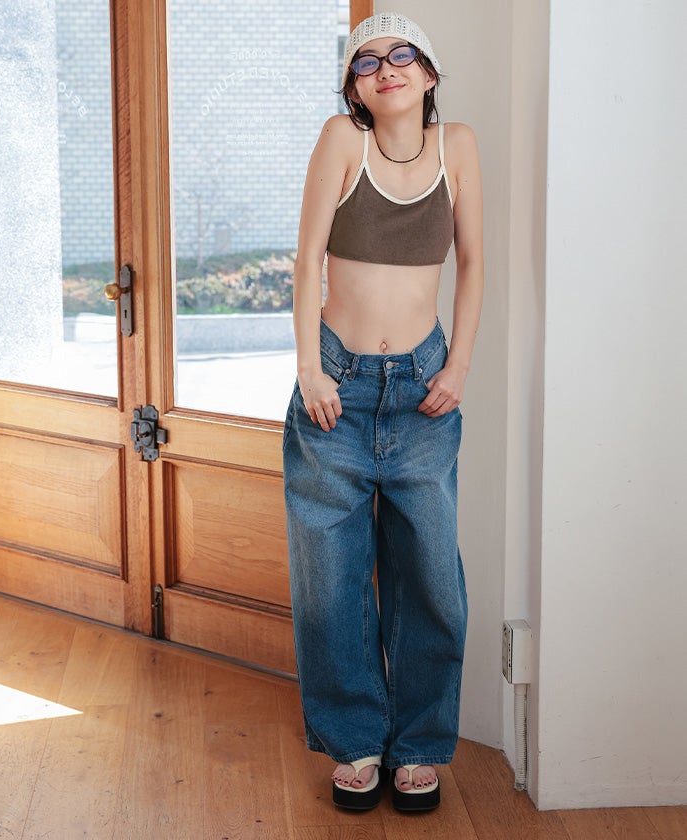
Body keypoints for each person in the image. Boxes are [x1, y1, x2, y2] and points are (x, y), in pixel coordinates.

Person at [282, 11, 483, 812]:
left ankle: (420, 746)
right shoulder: (342, 139)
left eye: (403, 55)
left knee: (430, 577)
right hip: (337, 387)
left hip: (425, 389)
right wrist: (309, 370)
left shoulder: (458, 145)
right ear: (353, 88)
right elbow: (306, 261)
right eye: (367, 62)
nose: (386, 68)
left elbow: (474, 263)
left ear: (428, 74)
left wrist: (459, 365)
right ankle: (357, 742)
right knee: (330, 579)